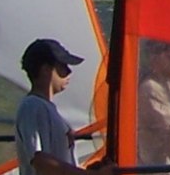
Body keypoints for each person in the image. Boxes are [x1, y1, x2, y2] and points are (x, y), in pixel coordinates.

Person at [15, 38, 108, 175]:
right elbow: (40, 160)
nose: (68, 72)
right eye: (62, 66)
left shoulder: (44, 108)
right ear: (46, 69)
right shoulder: (32, 106)